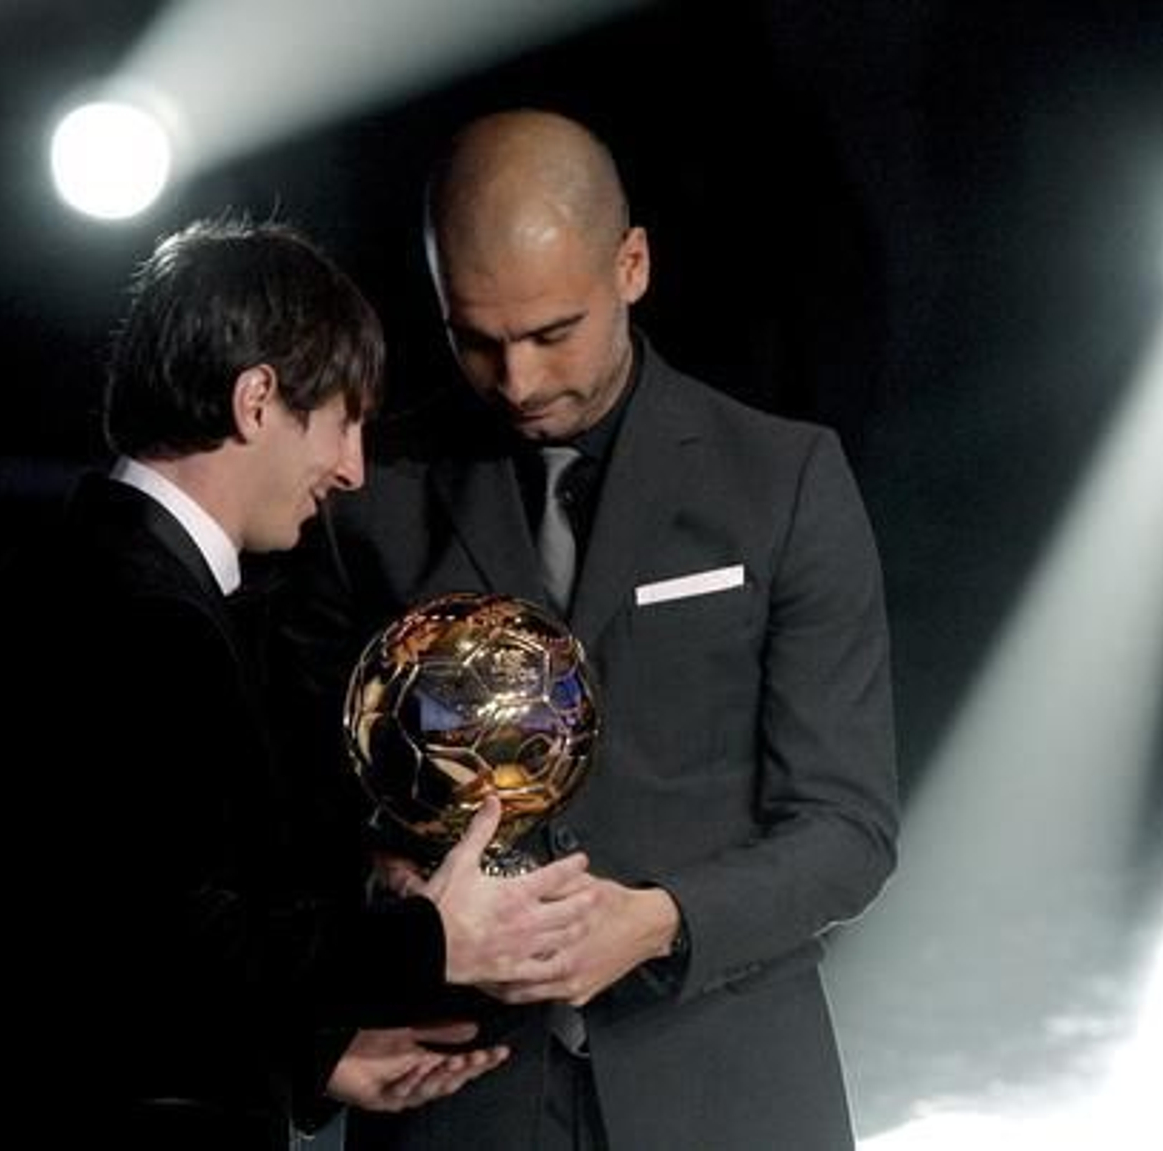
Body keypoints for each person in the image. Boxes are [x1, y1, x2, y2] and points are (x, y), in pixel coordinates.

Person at [278, 110, 899, 1149]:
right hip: (459, 1097)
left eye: (550, 333)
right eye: (476, 340)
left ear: (632, 265)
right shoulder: (367, 496)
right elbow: (296, 800)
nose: (517, 381)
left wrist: (659, 920)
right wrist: (386, 882)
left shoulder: (780, 479)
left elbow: (848, 828)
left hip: (725, 1090)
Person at [0, 215, 598, 1150]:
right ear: (257, 400)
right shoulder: (147, 615)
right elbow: (170, 939)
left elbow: (103, 941)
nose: (352, 469)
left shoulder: (89, 574)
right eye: (343, 420)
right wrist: (434, 938)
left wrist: (313, 1057)